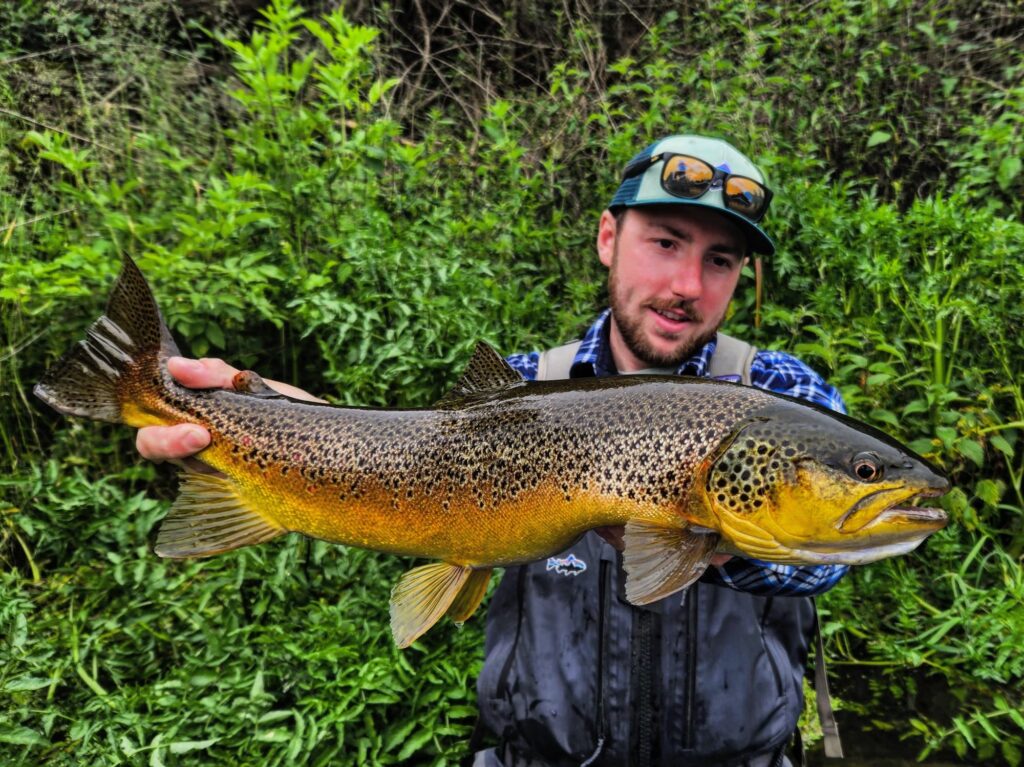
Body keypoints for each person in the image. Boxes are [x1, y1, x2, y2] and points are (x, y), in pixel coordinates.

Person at [136, 135, 847, 767]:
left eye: (719, 259)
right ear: (608, 235)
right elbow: (401, 455)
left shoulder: (781, 395)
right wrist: (277, 412)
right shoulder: (521, 387)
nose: (687, 285)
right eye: (665, 242)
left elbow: (830, 559)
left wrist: (724, 541)